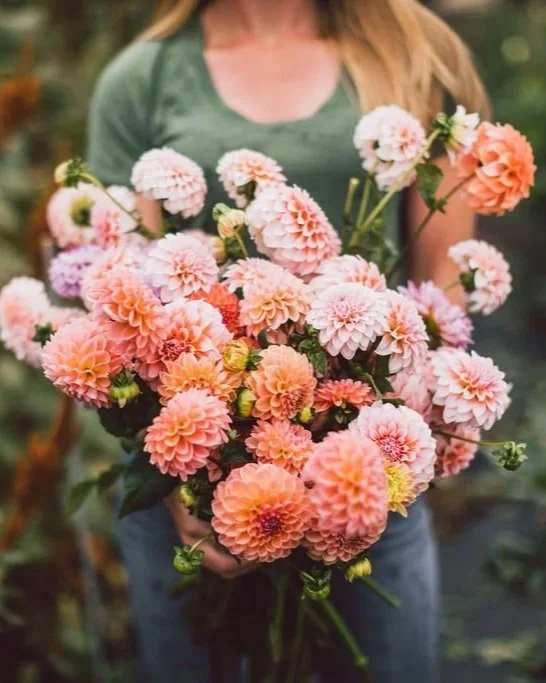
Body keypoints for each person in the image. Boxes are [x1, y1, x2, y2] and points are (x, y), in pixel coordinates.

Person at [88, 1, 487, 681]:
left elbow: (443, 285)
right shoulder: (142, 78)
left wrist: (381, 438)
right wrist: (192, 486)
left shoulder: (414, 52)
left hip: (370, 498)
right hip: (191, 499)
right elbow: (124, 299)